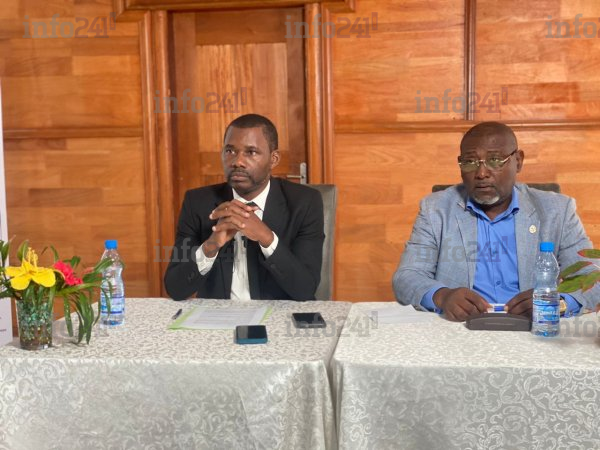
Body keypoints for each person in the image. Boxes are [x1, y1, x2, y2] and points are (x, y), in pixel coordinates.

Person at [393, 121, 597, 321]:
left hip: (534, 328)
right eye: (470, 162)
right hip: (461, 328)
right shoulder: (435, 209)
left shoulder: (557, 210)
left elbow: (594, 278)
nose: (482, 173)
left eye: (495, 160)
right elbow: (407, 277)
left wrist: (556, 303)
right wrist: (442, 296)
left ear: (518, 161)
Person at [164, 114, 324, 301]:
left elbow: (305, 289)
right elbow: (175, 289)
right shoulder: (198, 203)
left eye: (251, 152)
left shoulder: (304, 203)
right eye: (230, 151)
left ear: (273, 159)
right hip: (218, 315)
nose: (237, 161)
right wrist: (211, 246)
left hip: (277, 315)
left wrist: (266, 238)